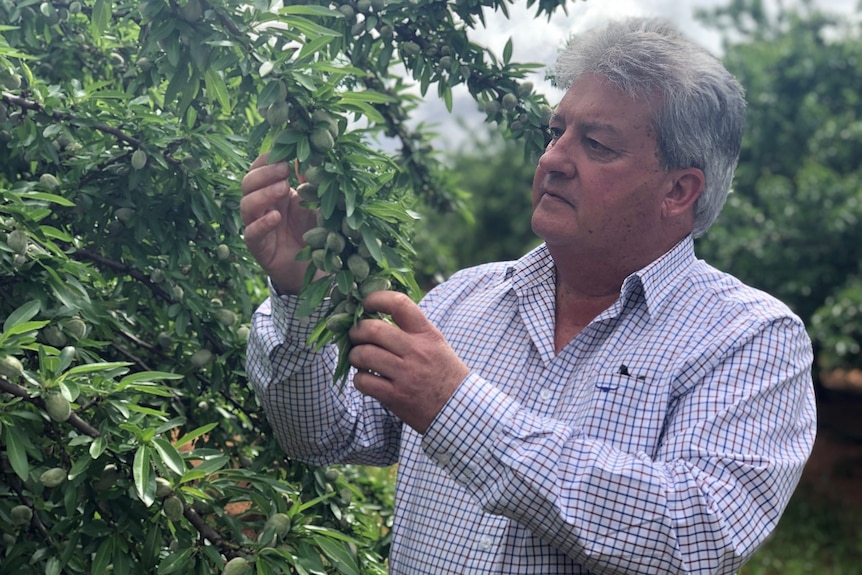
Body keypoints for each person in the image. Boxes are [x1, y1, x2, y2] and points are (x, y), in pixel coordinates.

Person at [240, 17, 817, 574]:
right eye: (555, 131)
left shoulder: (751, 338)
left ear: (679, 190)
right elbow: (320, 434)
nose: (553, 159)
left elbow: (694, 538)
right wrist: (302, 293)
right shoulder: (464, 299)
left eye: (596, 144)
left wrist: (455, 406)